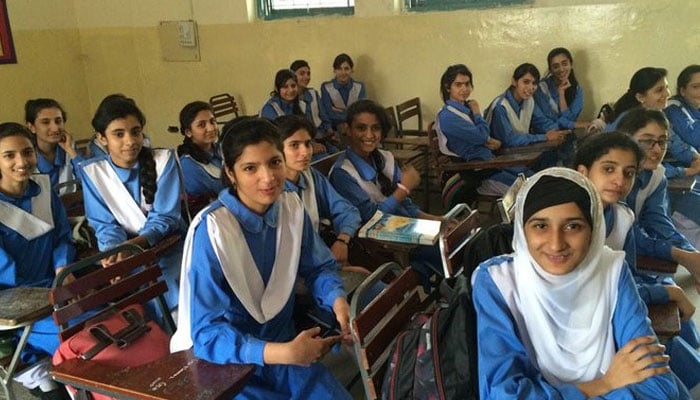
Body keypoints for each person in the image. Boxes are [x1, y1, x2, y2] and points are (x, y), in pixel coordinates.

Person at [170, 118, 352, 399]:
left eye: (274, 162)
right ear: (231, 173)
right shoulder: (213, 231)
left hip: (287, 352)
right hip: (230, 367)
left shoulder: (291, 206)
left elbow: (318, 267)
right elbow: (206, 334)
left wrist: (337, 301)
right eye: (250, 168)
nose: (267, 178)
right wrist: (281, 352)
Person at [472, 167, 688, 399]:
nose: (556, 244)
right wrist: (604, 384)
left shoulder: (610, 270)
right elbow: (504, 394)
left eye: (573, 226)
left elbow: (659, 388)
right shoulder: (498, 282)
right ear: (522, 231)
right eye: (540, 226)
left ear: (593, 230)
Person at [575, 132, 700, 394]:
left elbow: (628, 275)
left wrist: (662, 290)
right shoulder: (572, 224)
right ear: (584, 172)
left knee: (678, 347)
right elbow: (591, 290)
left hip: (618, 304)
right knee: (666, 371)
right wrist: (663, 291)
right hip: (588, 320)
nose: (619, 180)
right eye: (608, 169)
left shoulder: (622, 216)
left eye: (629, 173)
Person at [79, 97, 184, 311]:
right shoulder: (93, 172)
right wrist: (113, 254)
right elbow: (104, 224)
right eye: (119, 134)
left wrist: (131, 248)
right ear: (101, 138)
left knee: (169, 292)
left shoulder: (163, 161)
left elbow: (165, 217)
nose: (130, 141)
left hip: (168, 247)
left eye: (135, 132)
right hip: (128, 255)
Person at [329, 99, 444, 278]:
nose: (369, 134)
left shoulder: (385, 157)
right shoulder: (343, 173)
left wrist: (436, 220)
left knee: (451, 236)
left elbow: (406, 205)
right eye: (361, 128)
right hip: (377, 243)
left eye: (375, 128)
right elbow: (371, 218)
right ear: (348, 130)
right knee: (442, 250)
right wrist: (403, 189)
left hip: (403, 228)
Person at [0, 122, 73, 399]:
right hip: (18, 303)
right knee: (79, 338)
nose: (22, 162)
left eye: (27, 152)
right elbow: (7, 275)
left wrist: (62, 266)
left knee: (107, 318)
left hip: (56, 287)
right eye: (9, 155)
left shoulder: (43, 188)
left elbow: (63, 237)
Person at [435, 64, 520, 200]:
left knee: (528, 178)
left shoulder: (464, 108)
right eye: (458, 85)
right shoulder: (448, 116)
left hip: (489, 162)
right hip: (476, 172)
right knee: (523, 191)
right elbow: (481, 136)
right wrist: (477, 113)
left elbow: (479, 136)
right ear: (447, 87)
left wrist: (487, 141)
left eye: (467, 84)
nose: (464, 89)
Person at [486, 63, 568, 169]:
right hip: (498, 162)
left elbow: (541, 122)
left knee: (554, 161)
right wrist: (544, 137)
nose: (530, 88)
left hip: (519, 155)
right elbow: (509, 140)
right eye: (526, 82)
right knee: (538, 178)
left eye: (534, 83)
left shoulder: (529, 101)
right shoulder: (500, 106)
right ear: (514, 82)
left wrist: (559, 131)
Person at [665, 65, 700, 246]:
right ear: (682, 90)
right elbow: (692, 138)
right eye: (696, 87)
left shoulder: (695, 107)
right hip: (680, 177)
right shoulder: (673, 108)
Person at [24, 98, 84, 192]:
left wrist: (71, 151)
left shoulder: (69, 150)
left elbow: (90, 181)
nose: (55, 128)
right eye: (45, 122)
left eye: (58, 121)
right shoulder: (26, 157)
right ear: (32, 127)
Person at [176, 101, 224, 202]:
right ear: (188, 132)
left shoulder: (223, 149)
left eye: (212, 121)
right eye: (202, 125)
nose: (211, 128)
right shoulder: (188, 165)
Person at [289, 60, 335, 145]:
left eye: (308, 74)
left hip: (322, 135)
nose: (306, 77)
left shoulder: (313, 93)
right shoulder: (290, 98)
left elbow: (323, 117)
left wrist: (330, 132)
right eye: (302, 74)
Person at [320, 53, 366, 132]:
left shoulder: (360, 87)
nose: (343, 72)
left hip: (356, 127)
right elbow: (328, 113)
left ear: (352, 70)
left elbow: (360, 112)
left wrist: (339, 111)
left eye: (346, 68)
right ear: (334, 70)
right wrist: (349, 112)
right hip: (335, 129)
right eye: (339, 69)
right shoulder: (326, 87)